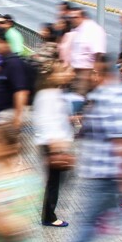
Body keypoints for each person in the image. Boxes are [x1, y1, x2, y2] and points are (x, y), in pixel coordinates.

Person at [44, 54, 122, 242]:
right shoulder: (115, 94)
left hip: (108, 175)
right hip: (109, 173)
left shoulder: (111, 97)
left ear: (99, 74)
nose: (87, 76)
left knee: (86, 222)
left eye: (91, 72)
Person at [32, 62, 74, 227]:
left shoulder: (52, 93)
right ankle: (49, 216)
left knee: (55, 181)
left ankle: (49, 214)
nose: (66, 73)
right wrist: (56, 149)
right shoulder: (49, 95)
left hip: (54, 144)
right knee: (54, 183)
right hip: (52, 145)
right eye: (61, 71)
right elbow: (47, 122)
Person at [67, 7, 107, 96]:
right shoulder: (76, 29)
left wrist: (95, 73)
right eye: (70, 18)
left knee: (82, 96)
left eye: (75, 17)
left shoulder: (94, 30)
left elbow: (98, 54)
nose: (72, 20)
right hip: (75, 70)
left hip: (87, 71)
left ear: (83, 17)